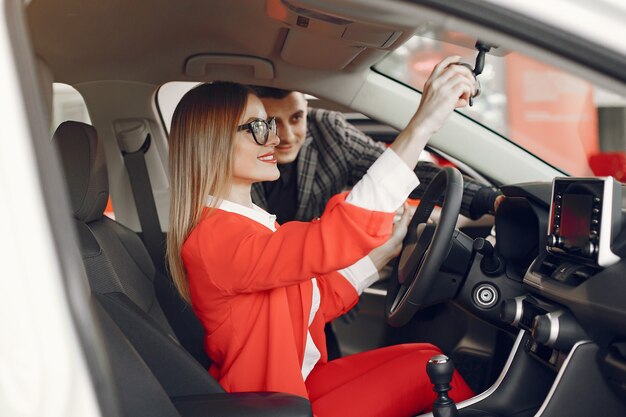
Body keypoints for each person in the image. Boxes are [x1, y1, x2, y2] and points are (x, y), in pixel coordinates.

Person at [167, 57, 476, 417]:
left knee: (425, 356)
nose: (277, 138)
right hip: (271, 405)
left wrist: (384, 253)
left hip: (295, 384)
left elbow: (313, 297)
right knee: (432, 375)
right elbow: (334, 234)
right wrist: (423, 124)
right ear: (214, 142)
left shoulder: (248, 224)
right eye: (258, 127)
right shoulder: (214, 237)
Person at [248, 86, 502, 226]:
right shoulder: (234, 154)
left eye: (296, 118)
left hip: (318, 288)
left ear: (307, 109)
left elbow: (400, 170)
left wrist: (488, 198)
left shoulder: (327, 130)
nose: (288, 136)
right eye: (272, 123)